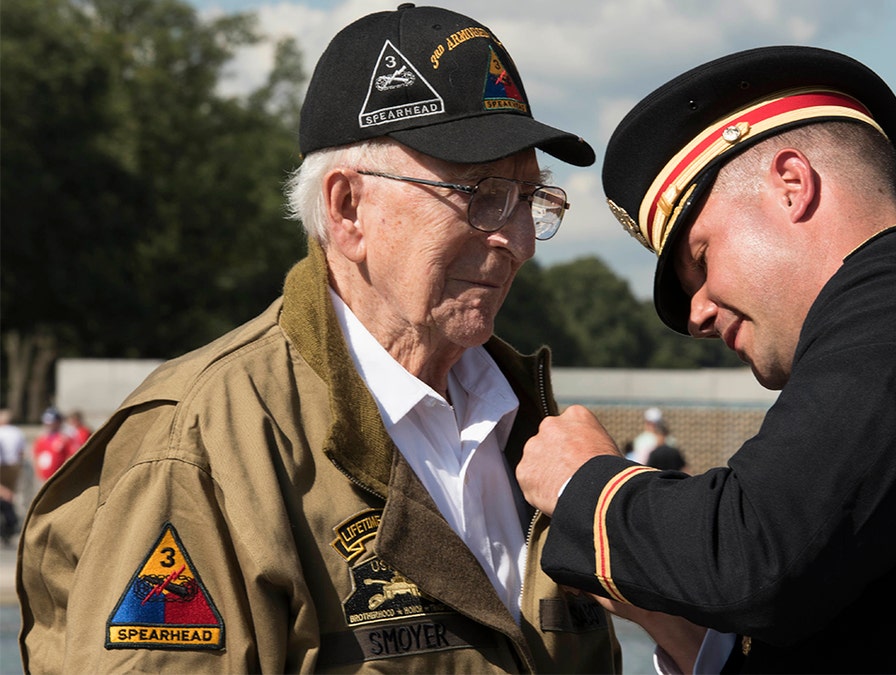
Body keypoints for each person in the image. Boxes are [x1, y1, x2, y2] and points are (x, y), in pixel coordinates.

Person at [18, 5, 618, 672]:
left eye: (532, 199)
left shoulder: (536, 434)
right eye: (481, 193)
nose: (521, 240)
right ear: (347, 208)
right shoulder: (202, 445)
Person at [516, 45, 896, 672]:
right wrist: (674, 622)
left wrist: (586, 483)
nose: (698, 314)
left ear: (792, 185)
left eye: (701, 259)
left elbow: (752, 559)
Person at [0, 409, 25, 546]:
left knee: (4, 494)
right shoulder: (17, 432)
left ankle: (9, 523)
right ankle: (10, 523)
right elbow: (21, 452)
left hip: (2, 466)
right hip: (14, 466)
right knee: (9, 495)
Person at [31, 407, 76, 482]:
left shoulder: (65, 438)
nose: (49, 426)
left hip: (59, 477)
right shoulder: (41, 439)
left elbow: (71, 455)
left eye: (52, 423)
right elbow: (36, 455)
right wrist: (38, 472)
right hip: (43, 477)